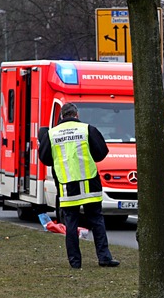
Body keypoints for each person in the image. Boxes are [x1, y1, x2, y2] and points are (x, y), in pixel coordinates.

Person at [38, 103, 120, 269]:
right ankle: (104, 257)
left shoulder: (51, 134)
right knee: (96, 220)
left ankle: (75, 262)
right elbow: (102, 152)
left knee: (71, 224)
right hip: (90, 183)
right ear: (76, 114)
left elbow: (45, 158)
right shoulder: (87, 129)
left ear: (61, 116)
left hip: (67, 186)